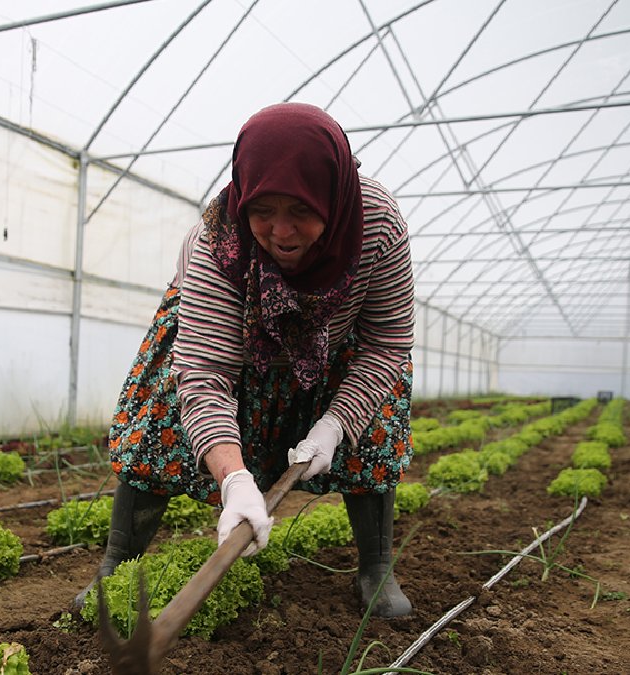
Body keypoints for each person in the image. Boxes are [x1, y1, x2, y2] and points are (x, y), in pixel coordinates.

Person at [75, 102, 416, 618]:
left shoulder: (378, 228)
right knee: (159, 419)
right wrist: (234, 479)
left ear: (333, 195)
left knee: (377, 415)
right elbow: (205, 375)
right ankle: (116, 562)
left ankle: (377, 566)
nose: (281, 232)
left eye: (301, 210)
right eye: (263, 209)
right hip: (231, 346)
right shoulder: (217, 240)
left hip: (330, 351)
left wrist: (334, 424)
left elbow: (387, 344)